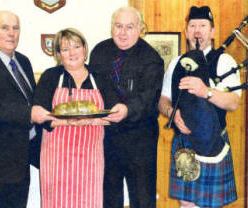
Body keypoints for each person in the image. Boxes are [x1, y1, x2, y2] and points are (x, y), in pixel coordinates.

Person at [158, 6, 241, 208]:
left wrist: (207, 92)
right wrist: (172, 113)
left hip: (213, 141)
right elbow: (163, 100)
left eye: (203, 26)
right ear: (186, 31)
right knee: (186, 203)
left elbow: (233, 102)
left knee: (210, 204)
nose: (197, 30)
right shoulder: (176, 62)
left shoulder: (224, 61)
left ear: (212, 31)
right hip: (184, 142)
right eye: (192, 25)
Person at [31, 28, 121, 208]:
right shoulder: (51, 76)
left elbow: (114, 113)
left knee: (89, 201)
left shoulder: (100, 77)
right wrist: (66, 122)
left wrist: (92, 120)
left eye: (76, 46)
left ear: (85, 50)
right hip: (56, 158)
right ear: (58, 54)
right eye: (65, 49)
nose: (72, 53)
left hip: (91, 157)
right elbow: (37, 113)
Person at [89, 6, 164, 208]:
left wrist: (127, 109)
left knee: (142, 197)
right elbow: (94, 88)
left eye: (129, 27)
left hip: (140, 138)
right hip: (106, 137)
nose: (123, 33)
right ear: (111, 28)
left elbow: (149, 97)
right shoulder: (99, 52)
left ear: (140, 29)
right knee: (109, 196)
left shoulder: (152, 58)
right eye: (118, 26)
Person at [0, 10, 41, 208]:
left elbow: (33, 100)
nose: (11, 33)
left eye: (15, 28)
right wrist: (27, 114)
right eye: (4, 28)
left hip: (21, 162)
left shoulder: (23, 61)